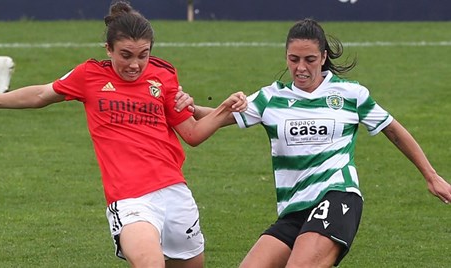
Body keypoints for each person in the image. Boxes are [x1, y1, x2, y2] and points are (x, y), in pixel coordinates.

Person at [0, 1, 246, 268]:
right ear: (108, 49)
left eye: (143, 55)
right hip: (129, 199)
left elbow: (193, 133)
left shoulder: (163, 76)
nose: (135, 65)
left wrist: (232, 110)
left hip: (175, 193)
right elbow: (40, 94)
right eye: (126, 55)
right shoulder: (89, 75)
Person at [178, 18, 451, 267]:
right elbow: (215, 117)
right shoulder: (270, 98)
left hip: (337, 196)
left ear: (323, 57)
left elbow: (393, 131)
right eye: (293, 59)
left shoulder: (350, 94)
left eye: (309, 59)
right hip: (294, 210)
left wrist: (431, 176)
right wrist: (184, 106)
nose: (300, 68)